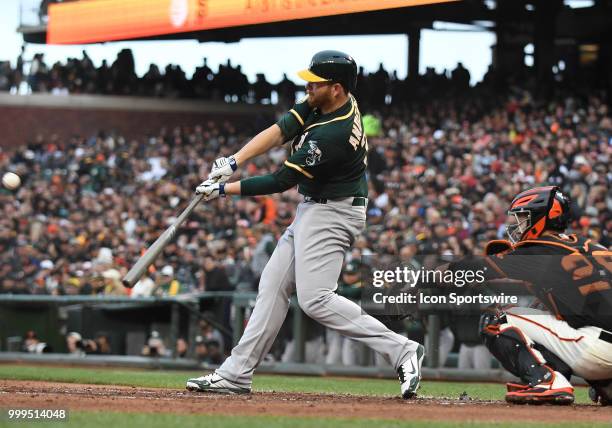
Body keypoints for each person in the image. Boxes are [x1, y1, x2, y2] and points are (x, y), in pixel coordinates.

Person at [186, 50, 424, 398]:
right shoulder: (327, 101)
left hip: (334, 211)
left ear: (337, 88)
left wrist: (224, 189)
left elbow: (281, 181)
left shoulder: (333, 133)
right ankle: (236, 373)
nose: (308, 87)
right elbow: (281, 130)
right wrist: (234, 161)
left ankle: (402, 349)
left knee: (316, 300)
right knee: (272, 284)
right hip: (318, 207)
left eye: (316, 83)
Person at [448, 186, 612, 405]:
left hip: (596, 349)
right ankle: (606, 385)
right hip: (600, 341)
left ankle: (548, 381)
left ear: (542, 217)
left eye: (523, 217)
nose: (518, 223)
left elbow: (475, 268)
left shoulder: (540, 248)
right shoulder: (593, 245)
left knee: (497, 317)